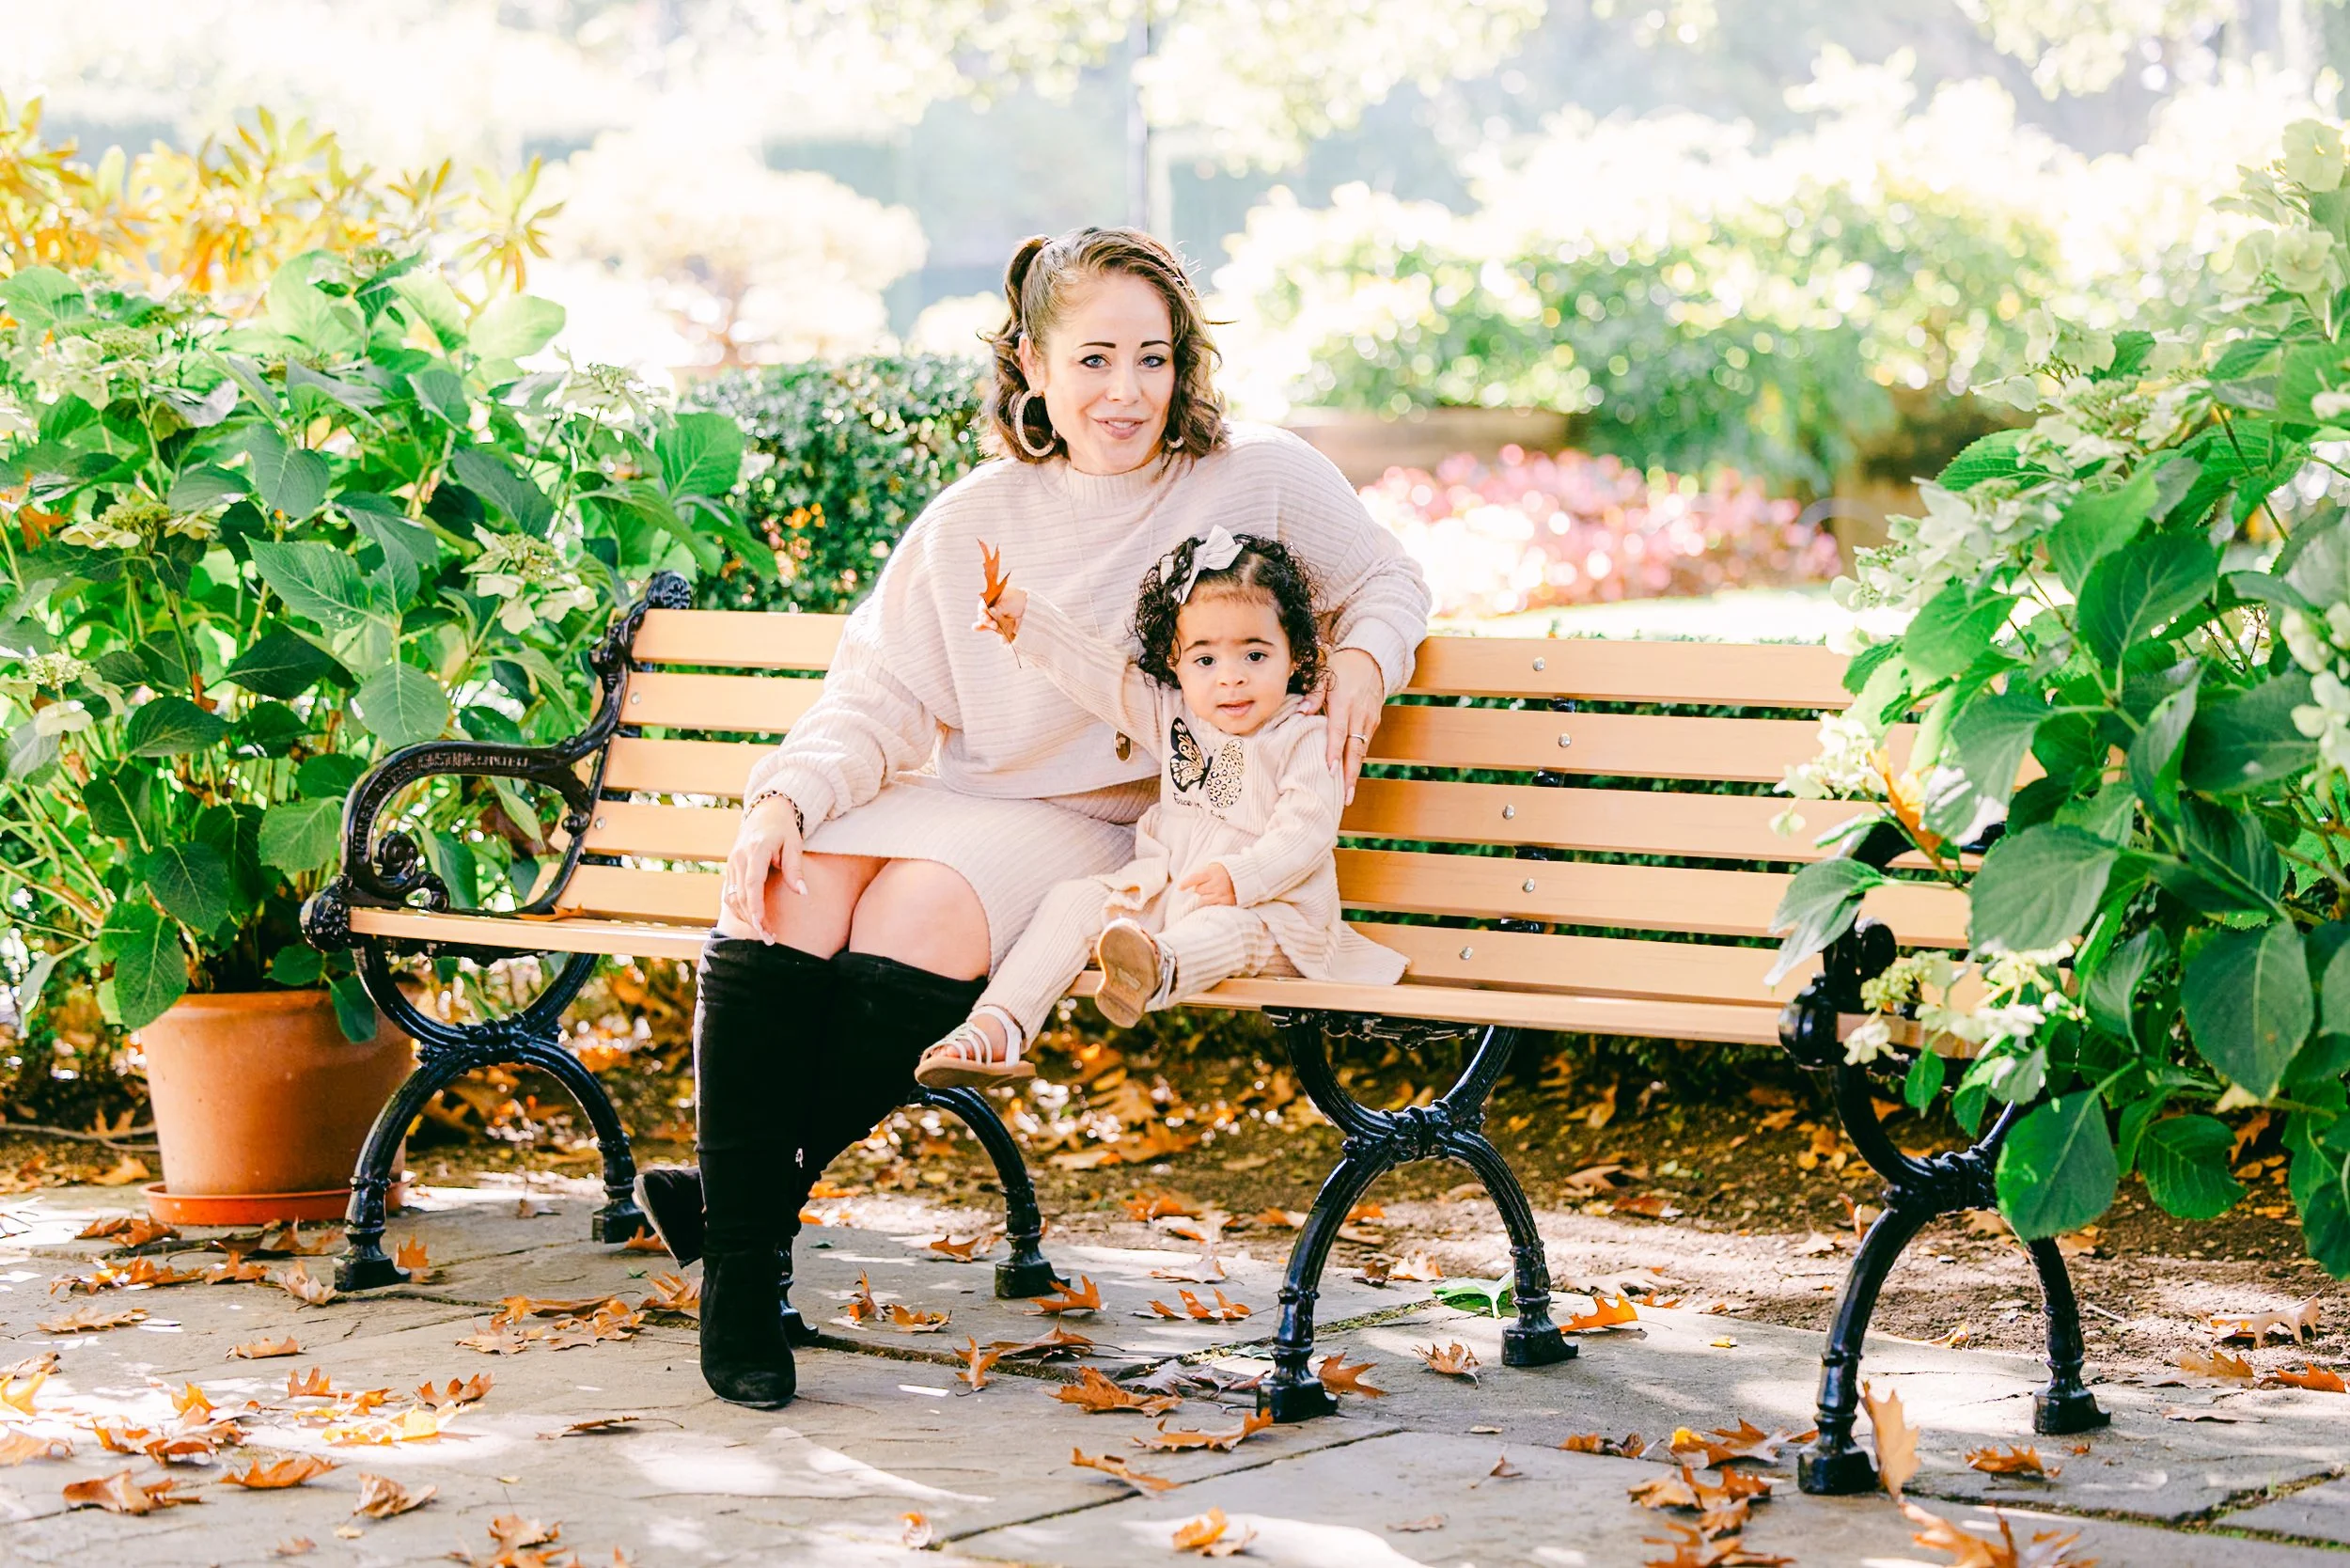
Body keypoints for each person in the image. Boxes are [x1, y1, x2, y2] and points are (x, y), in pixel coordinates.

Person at [662, 226, 1431, 1409]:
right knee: (783, 882)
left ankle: (739, 1254)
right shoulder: (976, 513)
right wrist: (783, 796)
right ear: (1029, 362)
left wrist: (1368, 665)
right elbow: (873, 693)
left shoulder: (1257, 476)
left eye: (1153, 359)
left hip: (1097, 822)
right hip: (959, 792)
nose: (1126, 392)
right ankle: (745, 1234)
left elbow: (1388, 578)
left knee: (921, 913)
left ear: (1186, 364)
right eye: (1093, 360)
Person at [913, 528, 1405, 1089]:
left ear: (1295, 656)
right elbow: (1104, 678)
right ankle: (994, 1030)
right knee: (1074, 901)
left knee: (1228, 929)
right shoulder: (1176, 717)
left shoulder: (1301, 738)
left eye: (1255, 653)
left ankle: (1157, 968)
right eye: (1204, 659)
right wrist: (1029, 622)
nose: (1230, 676)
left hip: (1278, 918)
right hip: (1170, 895)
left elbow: (1306, 832)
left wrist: (1242, 876)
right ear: (1175, 662)